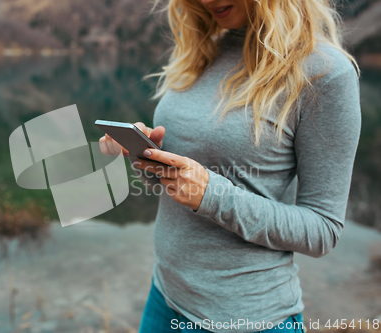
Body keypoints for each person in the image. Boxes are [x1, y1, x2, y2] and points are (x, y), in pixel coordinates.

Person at [99, 0, 361, 332]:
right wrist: (144, 154)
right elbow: (179, 186)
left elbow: (323, 230)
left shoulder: (325, 72)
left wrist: (213, 195)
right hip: (165, 299)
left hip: (249, 320)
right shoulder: (203, 51)